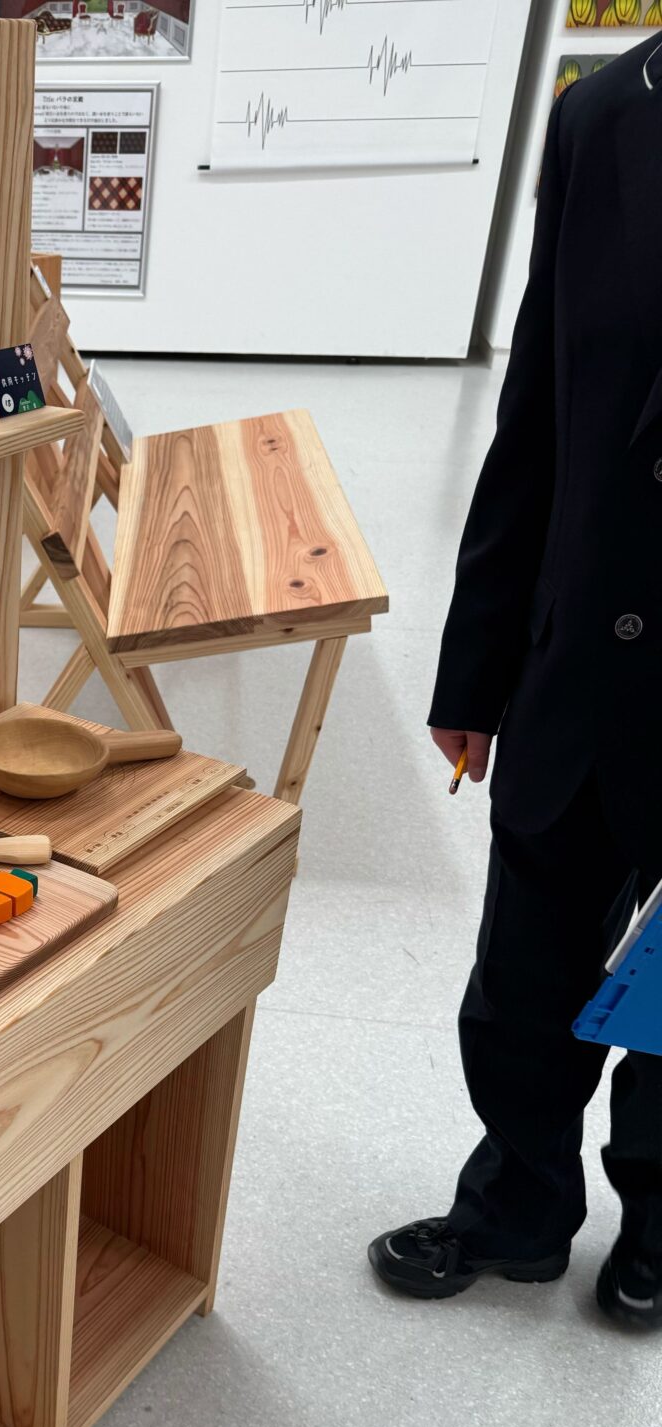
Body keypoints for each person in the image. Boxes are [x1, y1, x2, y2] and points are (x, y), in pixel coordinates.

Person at [368, 35, 662, 1328]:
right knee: (527, 972)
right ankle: (520, 1206)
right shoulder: (600, 118)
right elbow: (536, 408)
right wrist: (476, 670)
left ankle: (659, 1219)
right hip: (581, 653)